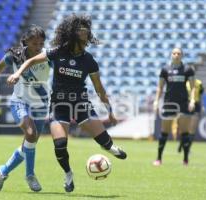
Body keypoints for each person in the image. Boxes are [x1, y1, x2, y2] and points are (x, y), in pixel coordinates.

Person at [7, 14, 127, 193]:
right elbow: (31, 60)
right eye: (80, 29)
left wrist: (109, 111)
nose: (84, 32)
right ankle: (68, 174)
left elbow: (99, 89)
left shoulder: (89, 61)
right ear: (71, 33)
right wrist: (17, 74)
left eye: (86, 29)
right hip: (58, 106)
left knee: (104, 141)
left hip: (81, 104)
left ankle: (109, 147)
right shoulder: (59, 52)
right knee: (60, 144)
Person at [0, 25, 50, 192]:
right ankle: (30, 175)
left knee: (29, 144)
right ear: (26, 42)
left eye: (41, 43)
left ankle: (3, 171)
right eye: (35, 43)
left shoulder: (48, 56)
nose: (38, 47)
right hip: (19, 101)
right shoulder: (14, 56)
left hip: (41, 104)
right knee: (30, 133)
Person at [153, 47, 195, 166]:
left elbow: (193, 88)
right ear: (171, 55)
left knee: (185, 132)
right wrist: (156, 101)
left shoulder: (188, 69)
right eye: (174, 53)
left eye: (179, 53)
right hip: (169, 103)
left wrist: (192, 100)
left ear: (182, 55)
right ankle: (159, 159)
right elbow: (160, 87)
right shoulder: (165, 69)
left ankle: (185, 160)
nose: (176, 55)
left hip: (183, 103)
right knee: (164, 131)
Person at [177, 78, 204, 152]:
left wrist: (202, 106)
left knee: (192, 129)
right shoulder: (185, 83)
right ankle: (181, 144)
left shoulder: (199, 83)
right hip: (186, 106)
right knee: (185, 129)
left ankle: (188, 148)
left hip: (196, 105)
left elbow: (201, 95)